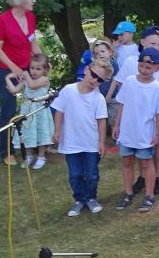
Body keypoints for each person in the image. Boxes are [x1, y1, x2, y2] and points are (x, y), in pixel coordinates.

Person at [107, 26, 159, 195]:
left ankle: (157, 177)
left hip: (153, 115)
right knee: (134, 151)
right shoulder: (131, 62)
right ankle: (142, 178)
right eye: (152, 43)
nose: (155, 46)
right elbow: (122, 86)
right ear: (142, 42)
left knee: (156, 146)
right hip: (134, 116)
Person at [51, 58, 113, 217]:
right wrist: (57, 130)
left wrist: (101, 142)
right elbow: (59, 111)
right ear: (86, 70)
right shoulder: (68, 90)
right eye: (93, 75)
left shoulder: (98, 98)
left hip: (91, 144)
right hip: (71, 142)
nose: (95, 80)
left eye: (100, 80)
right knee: (75, 174)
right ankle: (79, 199)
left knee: (92, 173)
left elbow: (101, 121)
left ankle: (91, 197)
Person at [0, 0, 43, 165]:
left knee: (33, 104)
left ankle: (35, 144)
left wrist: (42, 61)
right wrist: (14, 68)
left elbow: (32, 41)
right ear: (19, 0)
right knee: (8, 109)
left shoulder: (30, 17)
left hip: (25, 67)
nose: (33, 1)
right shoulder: (2, 20)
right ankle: (6, 152)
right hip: (5, 69)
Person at [112, 48, 159, 212]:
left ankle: (149, 195)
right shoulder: (129, 82)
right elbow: (121, 104)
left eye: (148, 67)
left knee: (146, 162)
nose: (144, 70)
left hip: (145, 133)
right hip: (127, 131)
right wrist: (116, 125)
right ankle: (128, 193)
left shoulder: (157, 88)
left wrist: (157, 133)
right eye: (141, 66)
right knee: (127, 161)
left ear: (157, 68)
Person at [5, 54, 53, 169]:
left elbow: (32, 86)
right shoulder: (27, 79)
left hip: (40, 111)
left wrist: (26, 75)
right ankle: (29, 155)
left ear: (45, 70)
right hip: (27, 111)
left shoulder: (44, 79)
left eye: (38, 69)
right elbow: (14, 90)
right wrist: (8, 79)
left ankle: (41, 156)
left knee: (41, 133)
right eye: (32, 68)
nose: (34, 71)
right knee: (27, 134)